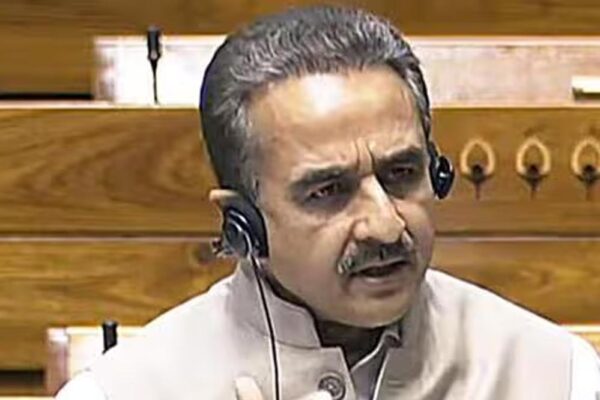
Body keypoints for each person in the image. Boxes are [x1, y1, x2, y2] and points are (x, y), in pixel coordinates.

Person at [56, 5, 599, 400]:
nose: (385, 226)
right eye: (327, 191)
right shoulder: (122, 392)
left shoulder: (559, 377)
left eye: (402, 174)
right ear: (243, 224)